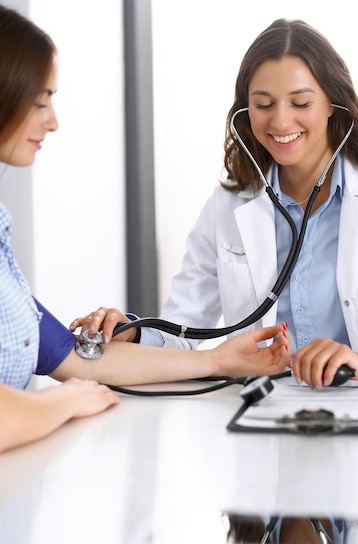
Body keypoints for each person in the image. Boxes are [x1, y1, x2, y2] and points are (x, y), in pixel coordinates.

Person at [0, 5, 290, 453]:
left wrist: (221, 358)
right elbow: (71, 380)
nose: (54, 120)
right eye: (41, 101)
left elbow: (75, 358)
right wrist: (66, 402)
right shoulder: (229, 203)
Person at [73, 18, 358, 389]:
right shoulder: (226, 207)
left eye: (301, 102)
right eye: (263, 104)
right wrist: (133, 331)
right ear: (245, 111)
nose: (281, 120)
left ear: (334, 104)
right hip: (261, 410)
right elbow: (185, 330)